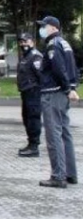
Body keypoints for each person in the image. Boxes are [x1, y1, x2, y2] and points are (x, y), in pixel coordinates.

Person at [36, 16, 79, 188]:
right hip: (62, 93)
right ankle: (70, 174)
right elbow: (72, 68)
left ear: (53, 28)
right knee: (65, 133)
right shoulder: (64, 43)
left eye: (44, 26)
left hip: (53, 93)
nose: (42, 29)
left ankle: (58, 175)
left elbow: (58, 68)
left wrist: (68, 88)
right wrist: (72, 87)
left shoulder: (53, 45)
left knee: (53, 135)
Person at [16, 33, 43, 158]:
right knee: (26, 118)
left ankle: (34, 147)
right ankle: (30, 143)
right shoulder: (25, 56)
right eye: (21, 42)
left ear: (32, 42)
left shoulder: (36, 56)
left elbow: (41, 75)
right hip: (26, 92)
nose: (23, 44)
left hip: (33, 92)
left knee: (33, 118)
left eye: (25, 41)